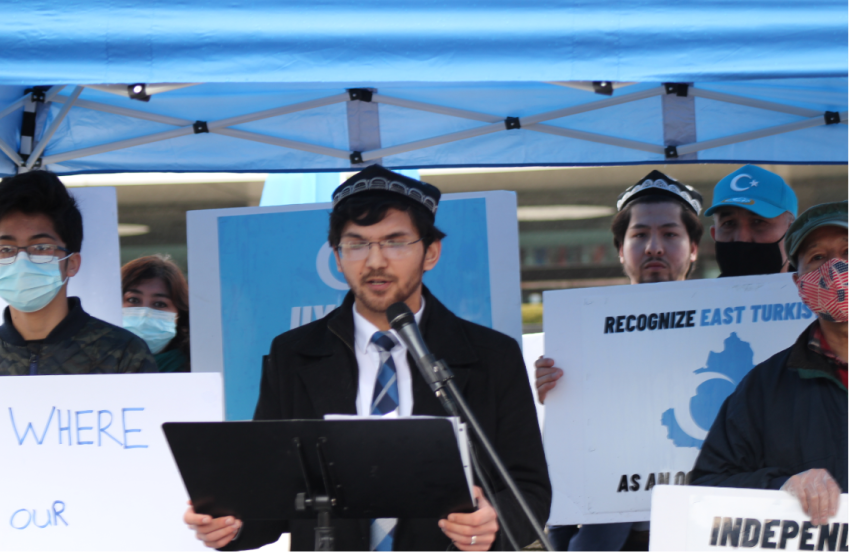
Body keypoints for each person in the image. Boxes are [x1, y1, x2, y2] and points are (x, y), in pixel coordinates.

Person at [184, 165, 551, 551]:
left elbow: (529, 491)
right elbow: (273, 494)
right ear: (338, 258)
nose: (375, 261)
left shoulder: (490, 356)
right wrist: (228, 523)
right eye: (357, 244)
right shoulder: (294, 353)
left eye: (395, 242)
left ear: (431, 252)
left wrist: (492, 521)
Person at [535, 171, 704, 551]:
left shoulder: (724, 331)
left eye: (670, 234)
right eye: (640, 234)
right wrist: (556, 397)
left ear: (694, 248)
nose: (654, 247)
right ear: (620, 249)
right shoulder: (580, 332)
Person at [690, 200, 847, 526]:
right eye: (818, 258)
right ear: (798, 283)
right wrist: (781, 487)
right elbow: (707, 488)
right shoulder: (764, 388)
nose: (836, 269)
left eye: (848, 252)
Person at [0, 170, 156, 375]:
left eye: (41, 248)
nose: (22, 260)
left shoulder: (122, 353)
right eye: (5, 249)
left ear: (72, 263)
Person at [705, 165, 798, 277]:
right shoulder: (696, 294)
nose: (741, 238)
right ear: (714, 235)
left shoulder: (818, 293)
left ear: (793, 235)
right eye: (728, 223)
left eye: (758, 222)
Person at [121, 254, 191, 372]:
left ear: (179, 315)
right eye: (133, 300)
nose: (144, 314)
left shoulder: (196, 369)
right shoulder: (92, 364)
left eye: (160, 304)